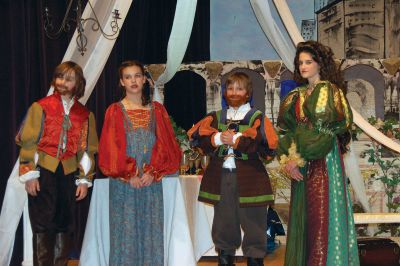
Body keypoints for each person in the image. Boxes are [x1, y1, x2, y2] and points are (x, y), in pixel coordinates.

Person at [277, 40, 359, 266]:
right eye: (300, 62)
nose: (303, 66)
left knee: (322, 214)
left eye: (308, 62)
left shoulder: (329, 91)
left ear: (319, 64)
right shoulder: (295, 95)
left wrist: (298, 157)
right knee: (305, 218)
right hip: (299, 161)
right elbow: (288, 131)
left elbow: (324, 131)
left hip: (324, 158)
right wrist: (288, 160)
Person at [188, 72, 278, 266]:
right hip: (222, 178)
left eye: (239, 88)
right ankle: (225, 260)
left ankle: (255, 261)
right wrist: (218, 138)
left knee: (254, 226)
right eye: (230, 88)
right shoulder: (215, 117)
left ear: (248, 93)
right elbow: (195, 138)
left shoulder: (257, 117)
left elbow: (269, 147)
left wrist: (237, 140)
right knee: (224, 225)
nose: (234, 92)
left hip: (252, 179)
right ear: (224, 92)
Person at [98, 60, 181, 266]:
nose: (133, 80)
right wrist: (129, 174)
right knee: (124, 230)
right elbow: (110, 148)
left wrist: (153, 172)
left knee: (151, 230)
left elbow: (167, 145)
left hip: (150, 181)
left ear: (144, 80)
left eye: (137, 76)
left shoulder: (158, 110)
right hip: (124, 182)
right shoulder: (114, 111)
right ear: (121, 82)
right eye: (128, 77)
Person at [16, 61, 98, 266]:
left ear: (78, 83)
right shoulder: (41, 107)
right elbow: (28, 142)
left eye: (69, 79)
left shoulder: (85, 115)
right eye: (60, 77)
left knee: (65, 223)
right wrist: (29, 174)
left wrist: (83, 180)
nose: (63, 82)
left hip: (68, 173)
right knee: (43, 224)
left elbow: (86, 151)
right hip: (44, 171)